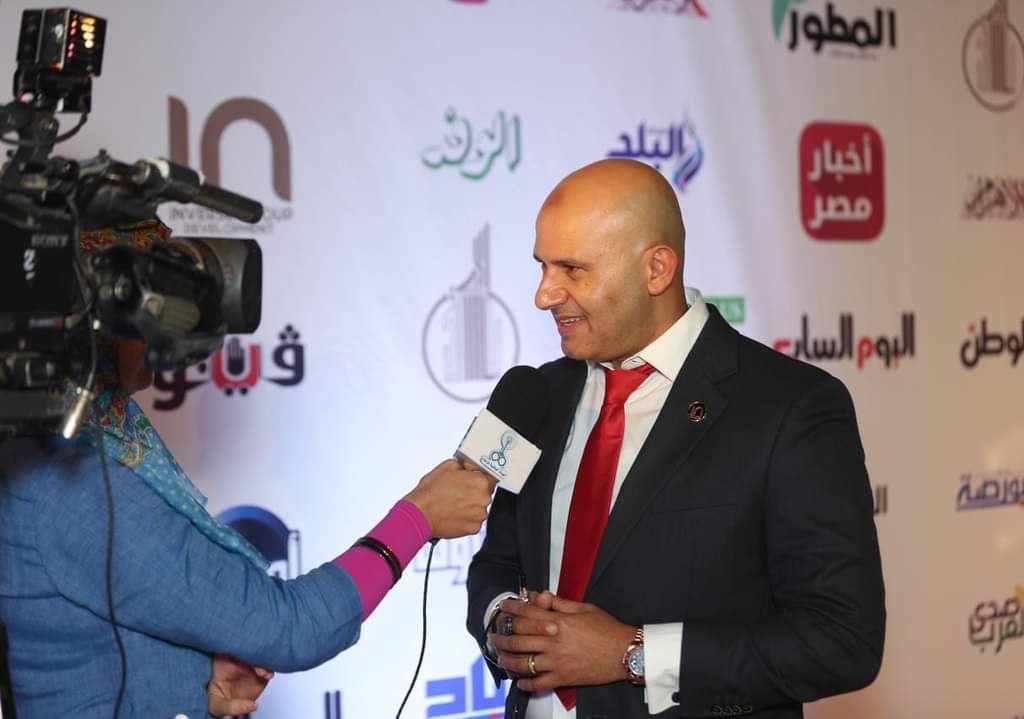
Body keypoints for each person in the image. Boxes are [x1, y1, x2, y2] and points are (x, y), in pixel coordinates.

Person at [0, 223, 497, 718]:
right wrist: (418, 517)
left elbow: (89, 647)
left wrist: (195, 682)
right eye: (146, 305)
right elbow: (293, 628)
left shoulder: (96, 436)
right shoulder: (67, 483)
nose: (164, 329)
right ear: (96, 324)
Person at [466, 159, 886, 718]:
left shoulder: (791, 407)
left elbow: (843, 642)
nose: (544, 295)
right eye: (542, 266)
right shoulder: (536, 396)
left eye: (572, 269)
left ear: (657, 269)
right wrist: (503, 620)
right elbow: (496, 561)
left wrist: (632, 654)